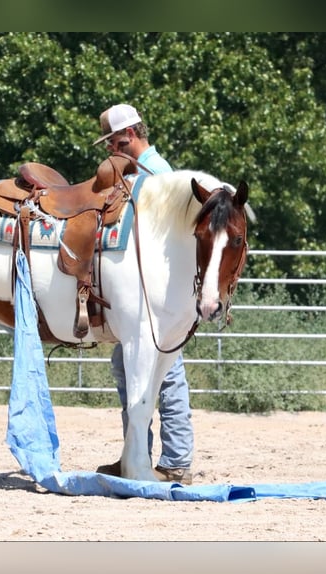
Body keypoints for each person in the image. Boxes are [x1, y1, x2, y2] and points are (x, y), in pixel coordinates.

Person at [92, 103, 194, 485]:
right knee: (132, 370)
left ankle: (175, 459)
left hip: (157, 301)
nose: (110, 150)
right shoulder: (149, 171)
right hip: (150, 300)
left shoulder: (157, 175)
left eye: (114, 142)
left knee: (165, 377)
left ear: (130, 135)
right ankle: (137, 453)